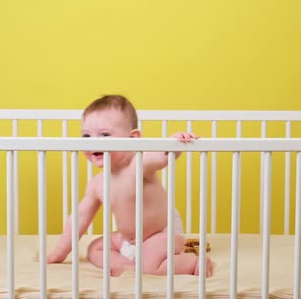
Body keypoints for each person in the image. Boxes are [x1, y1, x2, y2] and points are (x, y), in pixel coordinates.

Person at [45, 95, 212, 277]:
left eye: (105, 135)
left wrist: (173, 144)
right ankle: (128, 266)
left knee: (149, 266)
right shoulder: (97, 184)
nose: (93, 141)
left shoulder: (139, 164)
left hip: (162, 234)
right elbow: (79, 218)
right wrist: (60, 252)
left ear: (133, 138)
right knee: (95, 249)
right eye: (86, 135)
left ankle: (194, 263)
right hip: (128, 240)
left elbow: (160, 156)